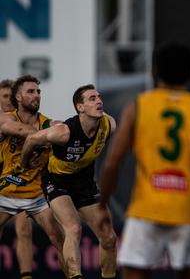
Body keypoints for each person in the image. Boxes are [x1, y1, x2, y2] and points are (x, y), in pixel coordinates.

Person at [100, 41, 190, 279]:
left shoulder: (138, 106)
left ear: (154, 71)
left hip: (145, 209)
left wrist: (101, 205)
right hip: (187, 210)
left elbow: (112, 162)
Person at [21, 84, 118, 279]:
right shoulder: (63, 132)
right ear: (80, 108)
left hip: (84, 183)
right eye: (92, 98)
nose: (99, 101)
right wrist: (26, 163)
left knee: (108, 237)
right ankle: (75, 276)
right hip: (57, 182)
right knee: (73, 228)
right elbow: (31, 140)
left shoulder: (109, 125)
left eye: (99, 97)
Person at [0, 75, 67, 277]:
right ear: (18, 97)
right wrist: (44, 137)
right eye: (31, 91)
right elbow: (17, 129)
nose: (36, 95)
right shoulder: (7, 118)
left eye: (38, 91)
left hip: (36, 196)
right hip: (5, 191)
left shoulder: (49, 124)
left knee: (59, 238)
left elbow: (67, 132)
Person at [1, 79, 36, 279]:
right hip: (2, 183)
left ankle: (26, 275)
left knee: (24, 229)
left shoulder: (26, 119)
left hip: (21, 182)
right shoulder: (3, 120)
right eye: (4, 96)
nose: (8, 100)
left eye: (10, 96)